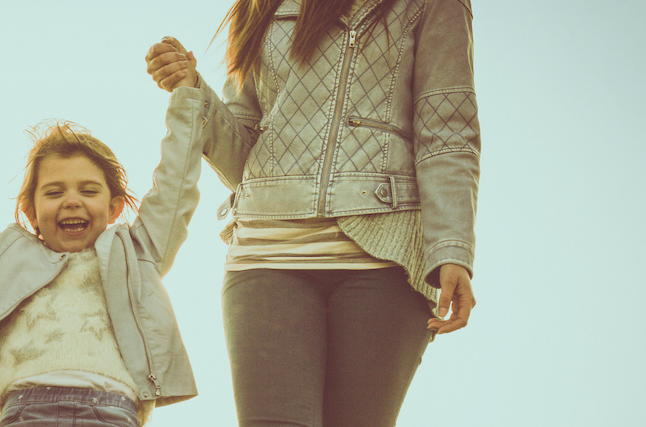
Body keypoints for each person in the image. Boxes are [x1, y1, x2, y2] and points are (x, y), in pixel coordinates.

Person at [144, 0, 480, 425]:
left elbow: (448, 132)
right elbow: (244, 154)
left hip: (383, 253)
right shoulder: (258, 6)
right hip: (264, 256)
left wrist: (452, 249)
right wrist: (194, 90)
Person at [0, 80, 209, 425]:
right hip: (25, 409)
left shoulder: (138, 251)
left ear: (114, 208)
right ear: (31, 212)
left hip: (111, 412)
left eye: (88, 190)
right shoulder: (2, 256)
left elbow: (176, 185)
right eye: (54, 192)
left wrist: (185, 96)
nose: (71, 200)